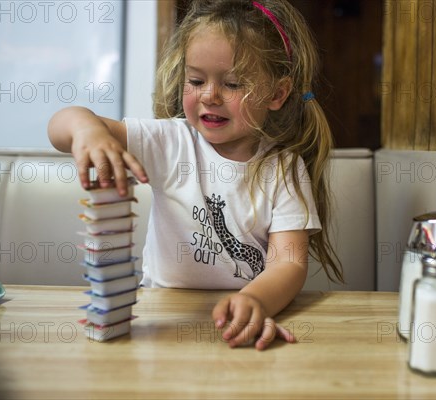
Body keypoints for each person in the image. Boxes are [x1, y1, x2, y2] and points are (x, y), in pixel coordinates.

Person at [48, 0, 343, 350]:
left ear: (276, 94)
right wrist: (86, 131)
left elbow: (289, 264)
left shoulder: (281, 168)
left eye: (233, 84)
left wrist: (257, 302)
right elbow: (60, 126)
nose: (210, 96)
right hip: (160, 323)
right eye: (196, 80)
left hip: (238, 323)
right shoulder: (170, 142)